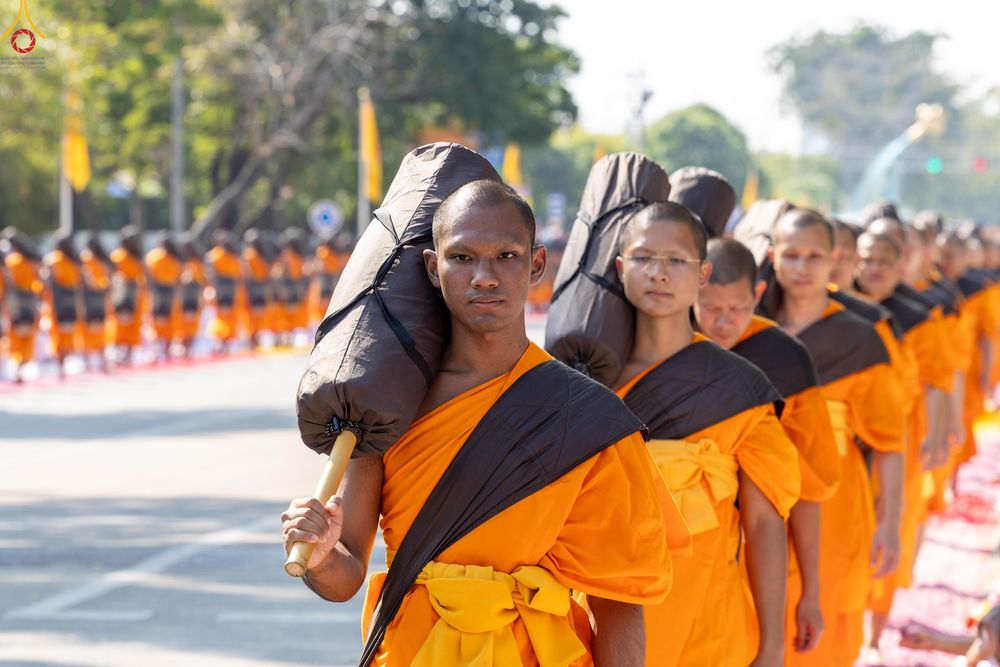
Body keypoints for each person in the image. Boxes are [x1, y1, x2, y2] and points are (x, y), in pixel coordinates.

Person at [281, 180, 686, 666]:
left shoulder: (586, 416)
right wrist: (321, 556)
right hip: (413, 652)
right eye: (462, 257)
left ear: (536, 264)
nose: (485, 277)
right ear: (434, 267)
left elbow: (616, 599)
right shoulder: (389, 406)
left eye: (506, 256)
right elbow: (345, 577)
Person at [611, 202, 801, 667]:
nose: (658, 272)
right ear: (620, 268)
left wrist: (772, 647)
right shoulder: (590, 380)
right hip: (605, 612)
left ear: (702, 274)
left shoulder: (739, 388)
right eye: (643, 257)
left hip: (708, 618)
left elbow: (764, 524)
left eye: (676, 260)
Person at [759, 209, 906, 667]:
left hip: (836, 499)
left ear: (835, 259)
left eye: (815, 256)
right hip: (759, 493)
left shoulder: (860, 338)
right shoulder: (751, 326)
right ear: (773, 257)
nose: (802, 267)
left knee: (828, 623)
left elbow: (889, 441)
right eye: (792, 255)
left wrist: (890, 522)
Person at [695, 237, 841, 657]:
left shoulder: (781, 357)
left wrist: (811, 592)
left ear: (758, 294)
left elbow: (807, 486)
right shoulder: (666, 350)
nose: (724, 322)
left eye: (738, 308)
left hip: (759, 552)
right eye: (711, 308)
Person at [853, 230, 953, 656]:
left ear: (900, 267)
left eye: (883, 262)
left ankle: (874, 635)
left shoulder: (916, 316)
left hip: (901, 435)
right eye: (867, 260)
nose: (873, 269)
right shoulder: (841, 312)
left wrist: (936, 434)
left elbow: (939, 380)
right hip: (849, 439)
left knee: (892, 521)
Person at [2, 227, 43, 383]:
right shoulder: (32, 261)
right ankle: (23, 364)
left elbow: (10, 282)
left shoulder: (12, 261)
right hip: (31, 300)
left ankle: (17, 367)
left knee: (15, 333)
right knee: (28, 333)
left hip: (17, 301)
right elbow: (39, 280)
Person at [44, 231, 84, 378]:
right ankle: (64, 361)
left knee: (58, 333)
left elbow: (47, 281)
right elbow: (79, 283)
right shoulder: (74, 261)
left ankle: (60, 364)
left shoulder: (53, 259)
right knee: (68, 333)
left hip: (56, 301)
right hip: (71, 301)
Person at [110, 226, 147, 366]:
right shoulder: (117, 255)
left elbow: (143, 276)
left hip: (135, 294)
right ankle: (118, 352)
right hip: (120, 294)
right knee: (119, 324)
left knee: (134, 324)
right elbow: (112, 274)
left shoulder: (138, 258)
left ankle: (129, 354)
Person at [145, 233, 184, 362]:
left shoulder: (157, 256)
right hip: (163, 290)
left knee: (164, 320)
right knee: (159, 319)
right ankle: (162, 350)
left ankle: (162, 350)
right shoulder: (157, 256)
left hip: (163, 290)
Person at [205, 230, 244, 355]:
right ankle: (224, 343)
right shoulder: (234, 256)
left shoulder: (213, 255)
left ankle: (222, 342)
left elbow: (210, 275)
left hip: (221, 288)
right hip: (230, 288)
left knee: (222, 315)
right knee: (227, 315)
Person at [80, 235, 113, 373]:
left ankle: (87, 363)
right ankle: (103, 361)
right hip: (100, 297)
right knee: (100, 328)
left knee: (87, 329)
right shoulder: (103, 260)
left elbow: (84, 278)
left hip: (88, 298)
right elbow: (108, 280)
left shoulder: (85, 258)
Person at [242, 228, 273, 350]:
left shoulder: (248, 254)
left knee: (251, 315)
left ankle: (253, 341)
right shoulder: (264, 256)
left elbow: (247, 273)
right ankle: (257, 339)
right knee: (260, 314)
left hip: (252, 287)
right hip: (262, 287)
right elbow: (267, 274)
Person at [178, 236, 207, 359]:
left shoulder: (197, 264)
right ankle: (185, 347)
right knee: (183, 323)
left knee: (192, 323)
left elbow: (201, 281)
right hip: (184, 297)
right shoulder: (183, 263)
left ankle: (189, 348)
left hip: (193, 297)